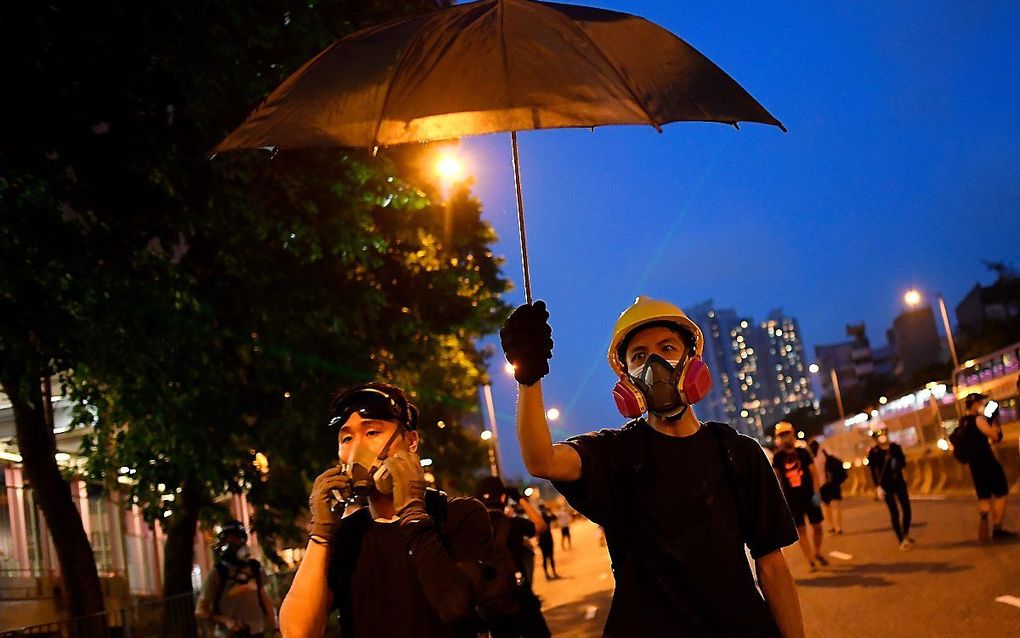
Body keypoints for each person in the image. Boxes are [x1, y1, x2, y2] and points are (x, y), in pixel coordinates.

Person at [500, 297, 805, 638]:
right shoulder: (615, 454)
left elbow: (773, 566)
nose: (655, 363)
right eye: (639, 356)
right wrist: (528, 378)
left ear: (692, 361)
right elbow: (542, 460)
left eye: (668, 348)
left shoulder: (737, 453)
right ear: (626, 376)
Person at [279, 382, 493, 637]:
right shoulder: (347, 535)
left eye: (372, 433)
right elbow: (297, 632)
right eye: (346, 438)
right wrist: (321, 534)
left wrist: (413, 512)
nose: (357, 448)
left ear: (411, 441)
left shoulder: (459, 515)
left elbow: (457, 608)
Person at [475, 477, 550, 638]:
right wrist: (520, 499)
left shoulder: (473, 532)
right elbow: (541, 526)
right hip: (521, 600)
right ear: (503, 498)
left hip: (491, 608)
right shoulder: (513, 524)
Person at [196, 520, 277, 637]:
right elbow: (200, 610)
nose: (232, 543)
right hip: (229, 635)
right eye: (228, 539)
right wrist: (225, 620)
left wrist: (275, 628)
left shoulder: (254, 568)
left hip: (257, 632)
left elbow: (265, 598)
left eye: (236, 538)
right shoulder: (218, 573)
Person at [960, 393, 1016, 542]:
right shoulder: (978, 419)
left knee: (984, 495)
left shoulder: (963, 422)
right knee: (1001, 492)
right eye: (980, 402)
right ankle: (997, 529)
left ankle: (984, 521)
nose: (982, 405)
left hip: (974, 466)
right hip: (987, 462)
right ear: (975, 404)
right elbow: (995, 437)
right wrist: (995, 425)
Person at [772, 423, 826, 571]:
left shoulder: (803, 452)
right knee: (801, 531)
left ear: (793, 433)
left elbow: (814, 473)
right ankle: (811, 561)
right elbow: (776, 479)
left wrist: (816, 492)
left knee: (818, 527)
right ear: (778, 437)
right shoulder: (778, 457)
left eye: (787, 433)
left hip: (809, 495)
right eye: (781, 435)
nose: (785, 437)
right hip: (792, 500)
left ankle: (817, 551)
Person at [866, 427, 914, 549]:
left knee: (907, 508)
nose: (882, 436)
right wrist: (877, 486)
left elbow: (903, 463)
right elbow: (873, 471)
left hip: (899, 482)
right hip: (886, 485)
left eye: (883, 433)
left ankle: (906, 532)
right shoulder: (873, 452)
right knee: (894, 512)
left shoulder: (895, 448)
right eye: (879, 435)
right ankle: (901, 540)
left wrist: (895, 460)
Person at [808, 439, 845, 535]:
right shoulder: (825, 452)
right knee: (836, 506)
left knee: (826, 507)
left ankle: (831, 526)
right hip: (832, 483)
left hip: (821, 486)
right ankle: (838, 528)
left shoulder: (811, 458)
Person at [536, 504, 559, 580]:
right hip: (545, 539)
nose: (542, 511)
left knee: (548, 557)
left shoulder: (540, 518)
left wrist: (550, 511)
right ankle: (549, 574)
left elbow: (555, 518)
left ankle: (549, 574)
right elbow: (554, 518)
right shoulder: (539, 518)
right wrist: (550, 511)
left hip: (544, 539)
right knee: (547, 557)